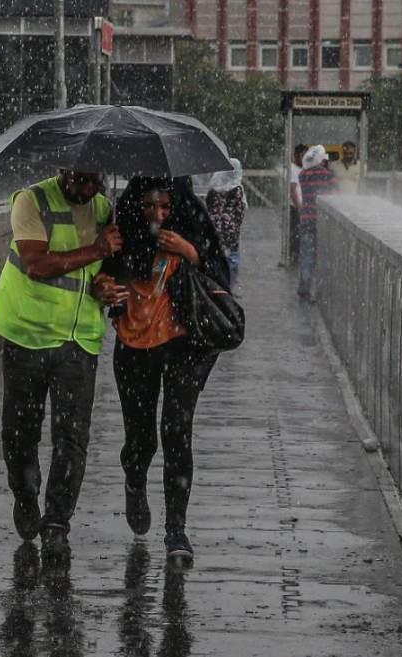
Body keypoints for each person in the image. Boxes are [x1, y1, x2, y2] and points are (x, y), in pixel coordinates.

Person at [0, 169, 127, 567]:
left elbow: (103, 274)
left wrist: (106, 285)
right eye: (81, 181)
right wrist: (97, 250)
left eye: (96, 181)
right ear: (64, 171)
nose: (89, 190)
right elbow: (35, 264)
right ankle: (25, 493)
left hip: (79, 338)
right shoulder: (31, 202)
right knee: (20, 433)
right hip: (27, 333)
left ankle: (56, 525)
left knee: (72, 439)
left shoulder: (104, 208)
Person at [102, 176, 230, 562]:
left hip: (184, 345)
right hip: (135, 347)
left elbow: (221, 278)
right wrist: (106, 285)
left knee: (177, 430)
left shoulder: (193, 230)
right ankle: (135, 478)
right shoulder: (122, 236)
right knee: (141, 437)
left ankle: (176, 531)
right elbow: (101, 277)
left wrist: (191, 252)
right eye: (148, 206)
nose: (157, 215)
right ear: (135, 207)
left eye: (164, 207)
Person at [297, 145, 338, 300]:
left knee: (306, 255)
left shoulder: (303, 175)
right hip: (322, 221)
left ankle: (304, 287)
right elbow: (336, 192)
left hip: (306, 219)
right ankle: (320, 291)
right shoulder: (327, 174)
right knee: (322, 255)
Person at [205, 158, 249, 290]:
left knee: (216, 255)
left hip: (213, 231)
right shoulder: (237, 190)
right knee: (232, 259)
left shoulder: (213, 189)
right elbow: (240, 211)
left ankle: (216, 283)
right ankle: (229, 286)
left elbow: (208, 207)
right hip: (231, 232)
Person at [288, 144, 308, 265]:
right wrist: (300, 208)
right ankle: (294, 258)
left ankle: (299, 258)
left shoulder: (304, 169)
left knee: (302, 234)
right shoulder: (293, 169)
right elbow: (293, 190)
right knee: (296, 235)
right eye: (303, 155)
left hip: (304, 207)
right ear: (296, 155)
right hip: (296, 207)